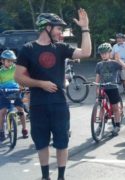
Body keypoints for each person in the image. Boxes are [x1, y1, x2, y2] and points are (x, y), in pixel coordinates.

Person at [14, 9, 91, 180]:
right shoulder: (28, 49)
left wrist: (85, 29)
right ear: (47, 27)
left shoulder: (61, 48)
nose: (60, 33)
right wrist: (40, 83)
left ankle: (61, 177)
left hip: (59, 104)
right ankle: (45, 176)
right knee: (41, 143)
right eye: (58, 29)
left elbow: (86, 53)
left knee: (62, 142)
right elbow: (18, 77)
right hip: (38, 105)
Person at [95, 43, 125, 135]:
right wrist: (97, 88)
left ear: (110, 53)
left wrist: (118, 60)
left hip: (113, 88)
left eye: (105, 53)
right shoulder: (99, 64)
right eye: (102, 53)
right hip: (103, 88)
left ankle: (117, 125)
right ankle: (100, 126)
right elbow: (97, 77)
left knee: (115, 108)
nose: (103, 55)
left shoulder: (114, 63)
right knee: (101, 107)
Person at [0, 50, 28, 142]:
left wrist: (23, 86)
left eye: (12, 61)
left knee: (21, 110)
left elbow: (22, 78)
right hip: (4, 93)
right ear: (2, 61)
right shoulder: (0, 71)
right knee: (2, 112)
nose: (11, 62)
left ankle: (24, 129)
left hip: (16, 91)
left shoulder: (16, 68)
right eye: (8, 61)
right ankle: (2, 132)